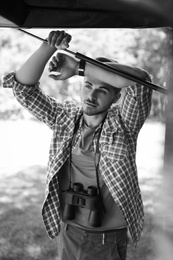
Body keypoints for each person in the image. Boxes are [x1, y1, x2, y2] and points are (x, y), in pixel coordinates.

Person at [3, 30, 152, 260]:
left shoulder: (125, 124)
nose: (91, 96)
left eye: (103, 90)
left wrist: (78, 68)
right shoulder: (66, 116)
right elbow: (23, 89)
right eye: (88, 85)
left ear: (116, 97)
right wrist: (49, 46)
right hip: (69, 231)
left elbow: (141, 82)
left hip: (107, 239)